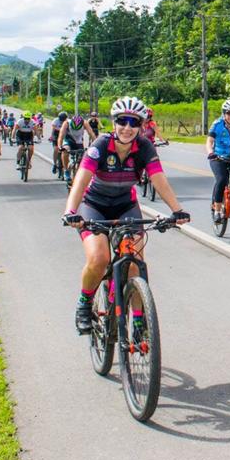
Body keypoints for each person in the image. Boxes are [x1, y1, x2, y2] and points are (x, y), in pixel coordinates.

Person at [62, 97, 189, 334]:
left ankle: (139, 319)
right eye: (122, 121)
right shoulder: (100, 145)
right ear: (114, 122)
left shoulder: (144, 147)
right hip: (94, 206)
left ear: (141, 125)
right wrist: (71, 211)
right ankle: (84, 303)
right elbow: (81, 179)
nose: (127, 127)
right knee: (99, 259)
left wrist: (176, 210)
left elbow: (158, 178)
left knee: (135, 263)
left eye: (134, 122)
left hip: (125, 206)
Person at [57, 113, 94, 183]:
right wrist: (59, 146)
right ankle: (66, 171)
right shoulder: (66, 123)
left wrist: (96, 145)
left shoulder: (85, 123)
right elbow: (61, 136)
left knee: (82, 159)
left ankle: (78, 174)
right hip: (68, 140)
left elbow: (91, 134)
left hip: (79, 142)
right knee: (65, 150)